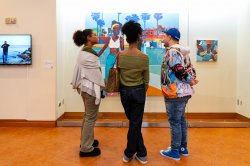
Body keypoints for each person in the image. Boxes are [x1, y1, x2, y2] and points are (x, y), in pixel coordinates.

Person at [159, 28, 198, 161]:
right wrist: (191, 80)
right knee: (181, 120)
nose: (162, 39)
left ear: (170, 37)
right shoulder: (183, 52)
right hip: (184, 92)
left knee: (175, 121)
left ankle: (175, 151)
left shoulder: (172, 51)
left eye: (163, 36)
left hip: (174, 92)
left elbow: (178, 70)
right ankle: (183, 148)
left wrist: (190, 80)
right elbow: (191, 69)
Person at [118, 20, 149, 164]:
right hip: (138, 92)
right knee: (135, 123)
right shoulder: (144, 57)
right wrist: (141, 91)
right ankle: (135, 152)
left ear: (126, 37)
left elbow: (119, 75)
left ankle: (137, 152)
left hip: (124, 92)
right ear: (138, 37)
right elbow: (146, 80)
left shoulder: (120, 55)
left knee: (134, 122)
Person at [71, 29, 105, 157]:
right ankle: (86, 148)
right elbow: (96, 75)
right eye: (95, 35)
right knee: (90, 118)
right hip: (89, 89)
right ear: (89, 38)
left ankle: (86, 141)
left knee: (87, 116)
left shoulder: (84, 52)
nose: (97, 36)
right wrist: (103, 86)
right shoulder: (89, 54)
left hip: (85, 88)